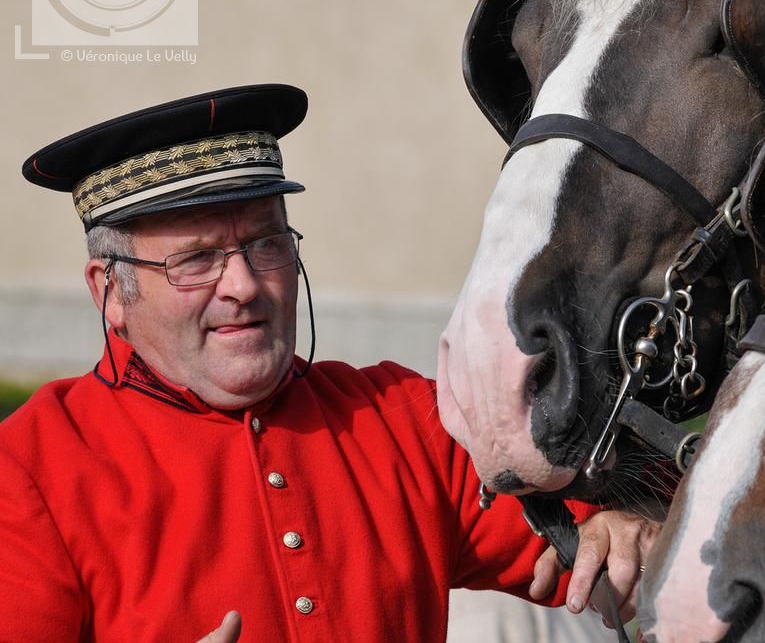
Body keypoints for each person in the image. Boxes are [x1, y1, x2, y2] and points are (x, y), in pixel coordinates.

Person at [0, 84, 656, 642]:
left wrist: (625, 525)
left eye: (266, 243)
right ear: (109, 291)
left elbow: (604, 527)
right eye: (196, 259)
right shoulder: (31, 471)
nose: (245, 286)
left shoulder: (403, 420)